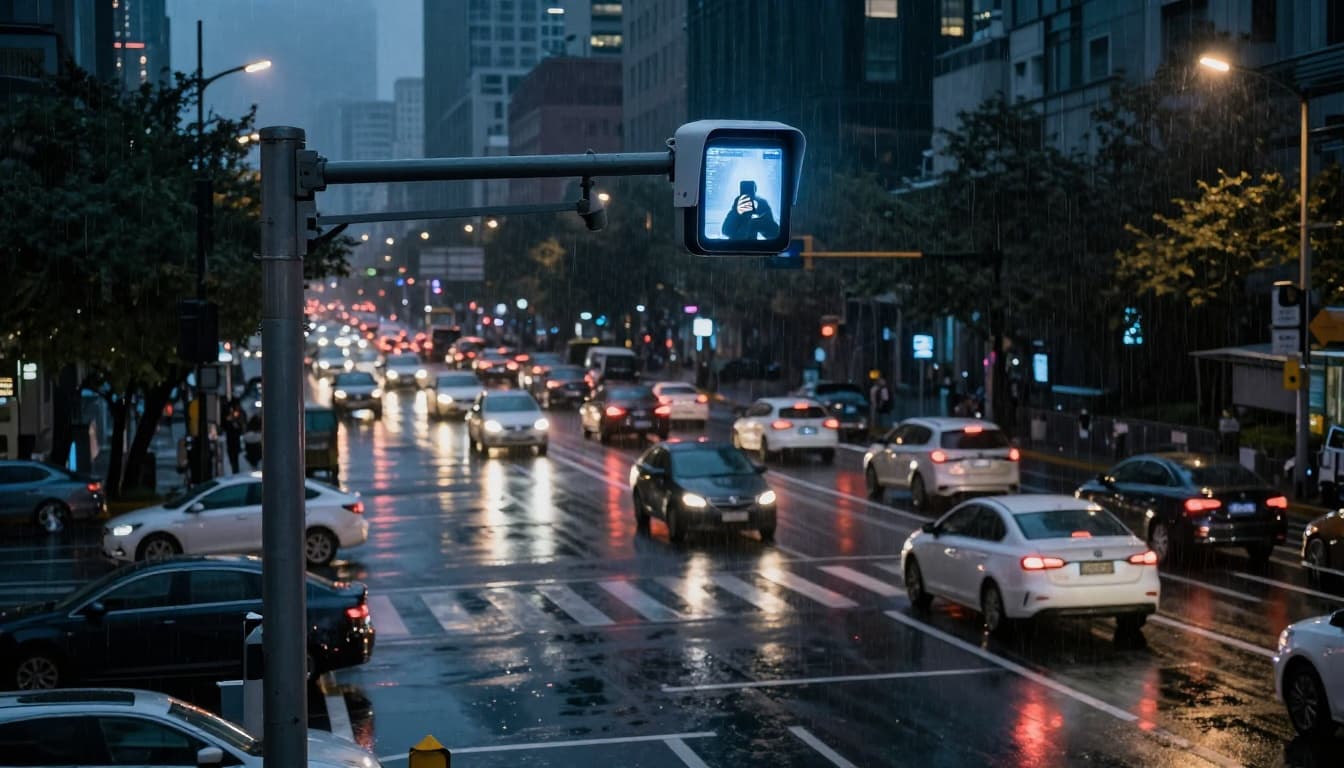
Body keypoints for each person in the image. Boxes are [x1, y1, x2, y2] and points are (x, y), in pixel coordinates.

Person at [223, 399, 245, 474]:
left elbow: (241, 427)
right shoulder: (229, 417)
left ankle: (236, 471)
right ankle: (234, 471)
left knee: (235, 459)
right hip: (231, 441)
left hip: (235, 442)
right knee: (233, 459)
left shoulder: (239, 415)